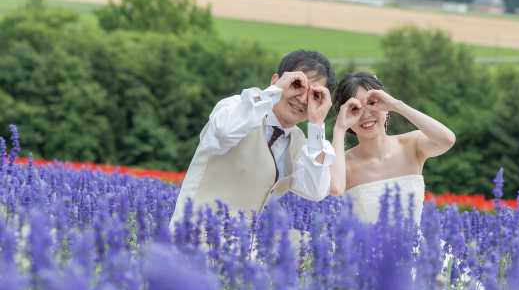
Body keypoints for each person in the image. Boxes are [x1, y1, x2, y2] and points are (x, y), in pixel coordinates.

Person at [170, 50, 338, 229]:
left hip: (243, 250)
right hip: (191, 238)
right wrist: (272, 93)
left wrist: (317, 124)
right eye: (297, 85)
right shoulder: (237, 107)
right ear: (275, 81)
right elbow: (224, 133)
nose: (303, 99)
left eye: (315, 95)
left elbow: (316, 190)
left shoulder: (301, 143)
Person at [330, 71, 456, 224]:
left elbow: (447, 140)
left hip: (415, 246)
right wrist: (339, 128)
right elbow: (335, 189)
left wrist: (397, 105)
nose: (365, 115)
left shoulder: (411, 144)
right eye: (355, 109)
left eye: (372, 103)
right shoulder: (343, 164)